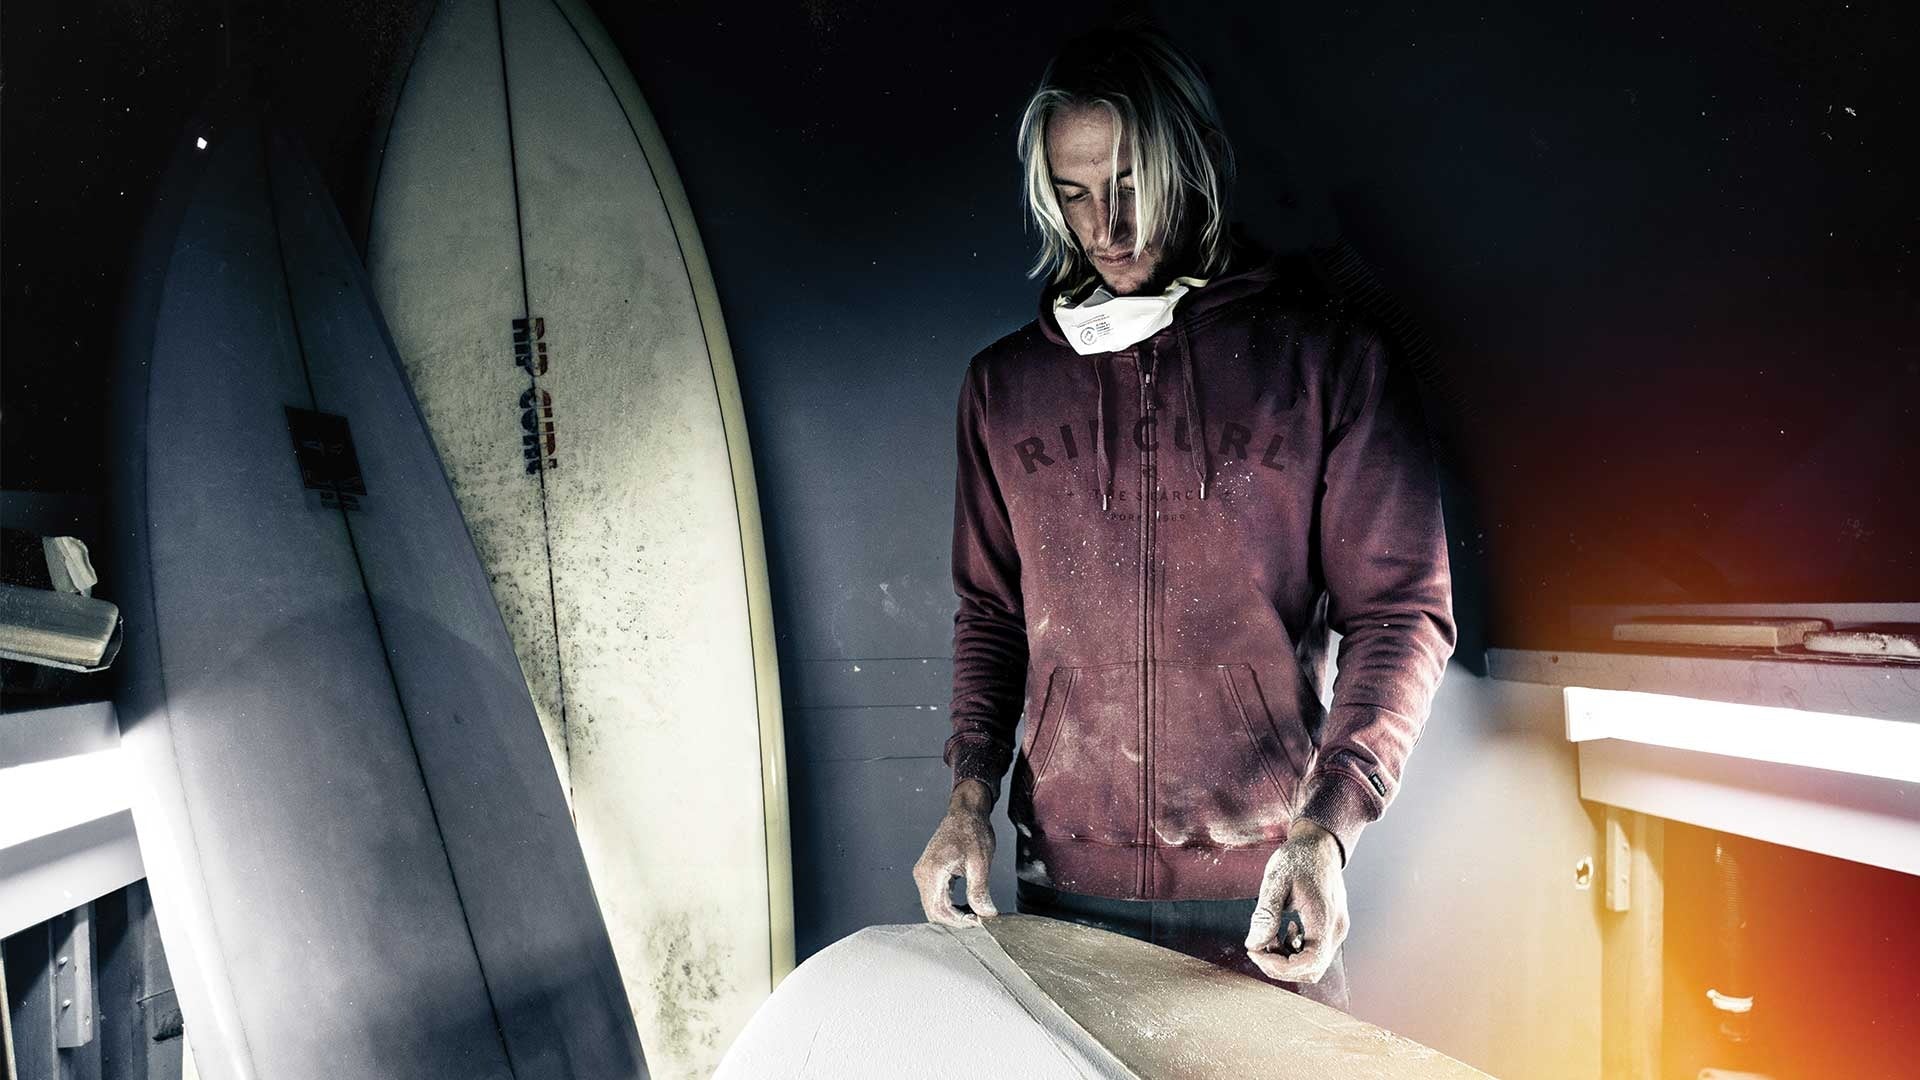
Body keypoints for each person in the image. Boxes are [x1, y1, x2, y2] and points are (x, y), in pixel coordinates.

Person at [910, 25, 1457, 1013]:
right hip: (1059, 891)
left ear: (1193, 163)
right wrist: (967, 801)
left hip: (1268, 888)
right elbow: (989, 614)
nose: (1106, 225)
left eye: (1130, 184)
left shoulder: (1325, 362)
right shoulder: (1005, 388)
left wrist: (1326, 830)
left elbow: (1401, 613)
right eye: (1074, 193)